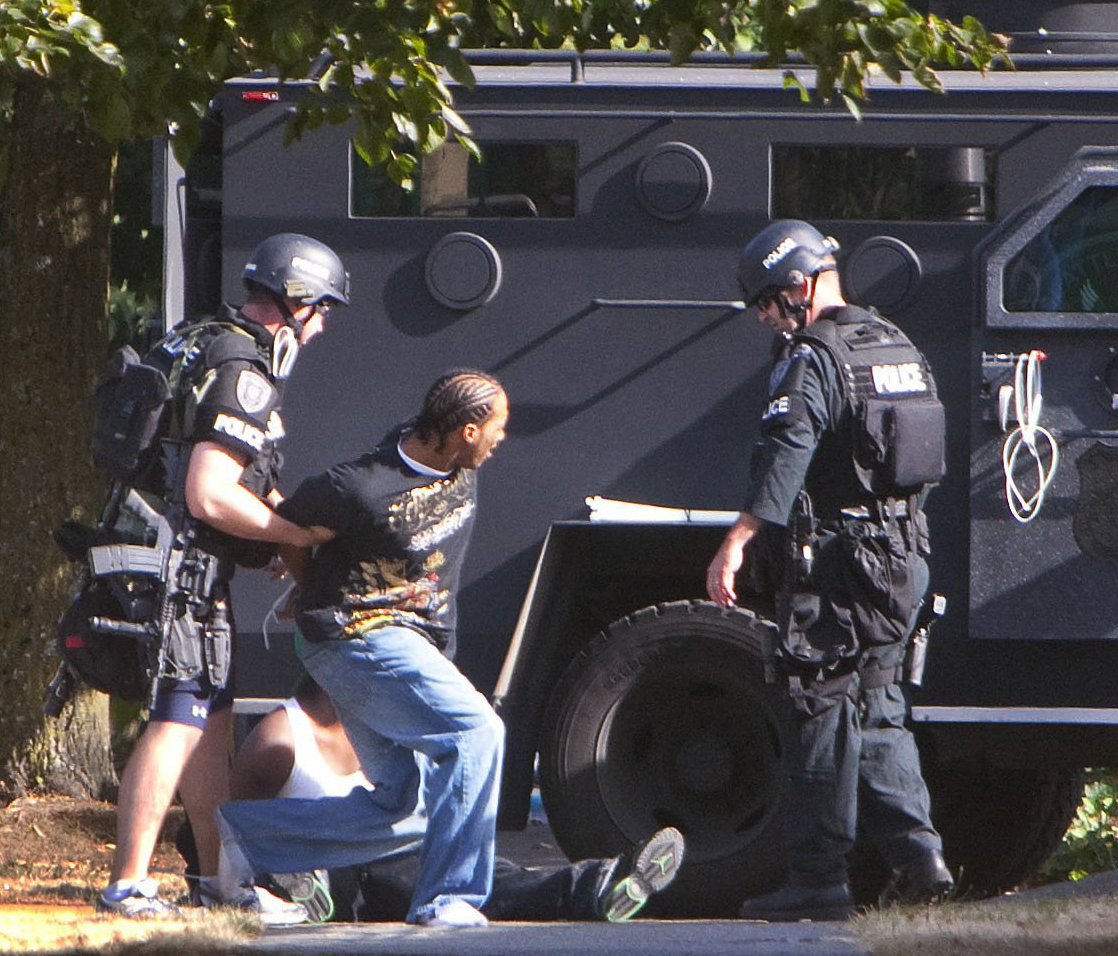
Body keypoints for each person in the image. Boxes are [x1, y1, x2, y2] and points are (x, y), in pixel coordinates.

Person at [96, 233, 350, 921]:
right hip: (177, 572)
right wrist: (295, 536)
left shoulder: (198, 338)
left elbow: (228, 477)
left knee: (209, 725)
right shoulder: (245, 369)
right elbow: (210, 494)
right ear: (295, 300)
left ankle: (218, 882)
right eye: (322, 309)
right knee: (176, 724)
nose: (321, 327)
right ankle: (127, 885)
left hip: (162, 562)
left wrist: (272, 528)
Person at [705, 220, 954, 921]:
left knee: (816, 707)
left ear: (798, 285)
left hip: (840, 566)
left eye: (765, 302)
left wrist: (738, 540)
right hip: (903, 559)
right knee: (879, 706)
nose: (763, 317)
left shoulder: (813, 357)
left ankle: (817, 880)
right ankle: (920, 860)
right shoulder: (895, 345)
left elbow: (787, 450)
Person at [214, 370, 512, 928]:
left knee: (408, 803)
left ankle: (242, 834)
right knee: (478, 731)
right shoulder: (359, 486)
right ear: (467, 431)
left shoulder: (455, 460)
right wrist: (311, 588)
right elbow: (289, 525)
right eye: (499, 427)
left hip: (411, 640)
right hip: (357, 636)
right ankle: (448, 897)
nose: (503, 439)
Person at [194, 675, 685, 923]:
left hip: (395, 863)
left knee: (490, 876)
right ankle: (303, 887)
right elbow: (232, 836)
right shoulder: (279, 739)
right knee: (341, 869)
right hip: (328, 864)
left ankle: (601, 886)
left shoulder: (389, 727)